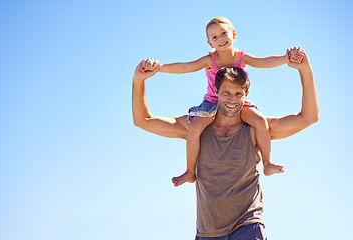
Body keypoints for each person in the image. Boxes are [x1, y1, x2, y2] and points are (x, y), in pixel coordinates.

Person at [132, 48, 318, 239]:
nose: (232, 100)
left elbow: (308, 117)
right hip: (208, 233)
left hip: (248, 226)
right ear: (215, 92)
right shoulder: (195, 128)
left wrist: (305, 69)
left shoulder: (255, 129)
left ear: (246, 95)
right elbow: (143, 121)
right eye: (226, 93)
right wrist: (139, 80)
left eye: (238, 94)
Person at [141, 17, 304, 187]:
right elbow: (185, 67)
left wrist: (286, 59)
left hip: (237, 102)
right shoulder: (209, 60)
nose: (220, 39)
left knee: (260, 121)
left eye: (224, 33)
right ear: (210, 43)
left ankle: (268, 163)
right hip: (212, 102)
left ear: (233, 34)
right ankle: (190, 171)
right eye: (215, 37)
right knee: (194, 128)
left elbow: (264, 62)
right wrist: (159, 68)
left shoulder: (242, 57)